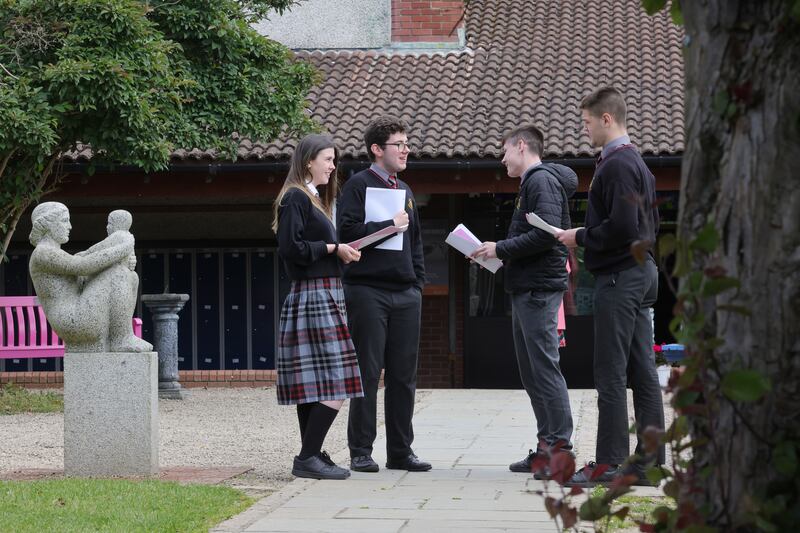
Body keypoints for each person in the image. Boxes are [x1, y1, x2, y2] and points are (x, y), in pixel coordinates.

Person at [556, 87, 665, 486]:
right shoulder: (638, 163)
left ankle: (609, 464)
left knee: (611, 371)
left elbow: (623, 227)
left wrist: (579, 236)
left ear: (607, 119)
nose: (585, 131)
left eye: (587, 123)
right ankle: (650, 464)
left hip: (620, 277)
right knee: (643, 369)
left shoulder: (617, 165)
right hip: (641, 273)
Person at [471, 125, 578, 475]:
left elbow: (544, 236)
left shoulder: (539, 181)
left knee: (543, 369)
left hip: (537, 289)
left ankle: (559, 449)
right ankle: (546, 446)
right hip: (527, 286)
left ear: (521, 146)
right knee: (533, 371)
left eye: (504, 151)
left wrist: (499, 248)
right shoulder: (531, 183)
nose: (502, 159)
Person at [337, 115, 429, 473]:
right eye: (399, 144)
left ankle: (401, 452)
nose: (406, 150)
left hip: (406, 293)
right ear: (377, 150)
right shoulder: (357, 186)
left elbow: (416, 241)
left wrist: (417, 282)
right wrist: (389, 225)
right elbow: (347, 235)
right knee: (367, 371)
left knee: (405, 375)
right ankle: (360, 450)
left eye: (407, 144)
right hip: (367, 291)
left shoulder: (404, 190)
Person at [273, 134, 364, 480]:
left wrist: (341, 253)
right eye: (328, 159)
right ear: (308, 160)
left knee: (312, 383)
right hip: (314, 296)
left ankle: (310, 455)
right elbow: (290, 248)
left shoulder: (310, 198)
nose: (332, 166)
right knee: (337, 381)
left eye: (334, 160)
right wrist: (331, 248)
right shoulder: (295, 197)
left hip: (323, 292)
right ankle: (308, 456)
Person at [28, 202, 151, 353]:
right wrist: (125, 247)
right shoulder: (42, 253)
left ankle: (121, 336)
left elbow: (82, 271)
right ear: (49, 224)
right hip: (73, 320)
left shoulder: (54, 253)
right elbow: (83, 265)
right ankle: (121, 338)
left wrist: (119, 250)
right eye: (65, 221)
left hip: (80, 312)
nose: (70, 226)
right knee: (118, 273)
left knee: (132, 277)